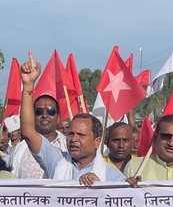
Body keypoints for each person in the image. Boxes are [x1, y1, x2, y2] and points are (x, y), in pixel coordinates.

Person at [19, 54, 124, 187]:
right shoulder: (57, 160)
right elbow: (28, 132)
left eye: (81, 135)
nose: (73, 139)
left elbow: (128, 197)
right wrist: (28, 85)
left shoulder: (113, 178)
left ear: (97, 141)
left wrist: (101, 188)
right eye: (70, 133)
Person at [7, 75, 67, 179]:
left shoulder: (67, 148)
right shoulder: (20, 149)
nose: (44, 115)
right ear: (32, 116)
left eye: (50, 111)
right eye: (39, 111)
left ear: (58, 118)